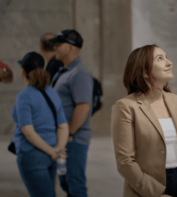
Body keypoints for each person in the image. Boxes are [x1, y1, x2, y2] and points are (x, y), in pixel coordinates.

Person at [111, 44, 177, 197]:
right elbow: (125, 162)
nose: (169, 62)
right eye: (160, 59)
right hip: (145, 189)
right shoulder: (126, 106)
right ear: (145, 72)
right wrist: (156, 194)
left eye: (167, 57)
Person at [13, 52, 69, 197]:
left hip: (32, 156)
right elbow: (63, 126)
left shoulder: (24, 96)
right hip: (52, 157)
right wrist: (58, 149)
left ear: (22, 71)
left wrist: (51, 151)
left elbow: (28, 132)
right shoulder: (52, 93)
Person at [49, 29, 93, 197]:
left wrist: (69, 133)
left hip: (73, 139)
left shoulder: (79, 73)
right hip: (65, 138)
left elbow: (83, 106)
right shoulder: (65, 71)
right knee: (67, 183)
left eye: (58, 45)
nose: (55, 48)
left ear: (70, 48)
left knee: (75, 184)